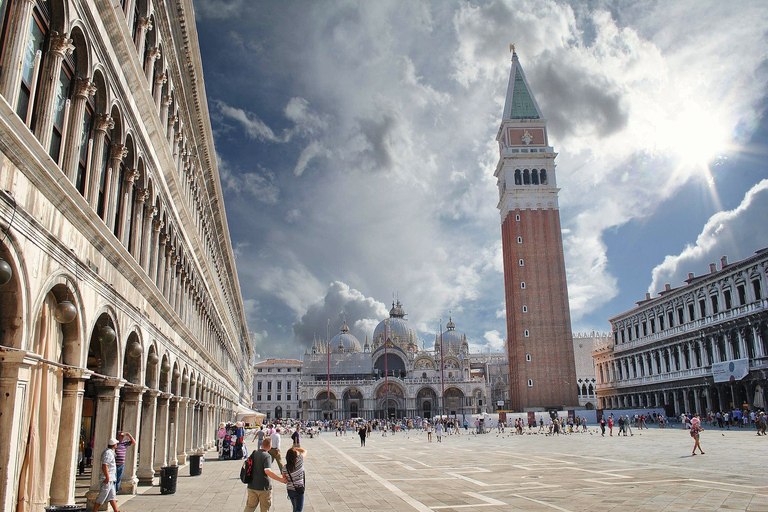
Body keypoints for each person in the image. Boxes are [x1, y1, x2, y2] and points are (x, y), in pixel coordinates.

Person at [244, 437, 287, 512]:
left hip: (252, 485)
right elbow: (267, 471)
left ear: (262, 444)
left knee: (250, 507)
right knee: (264, 508)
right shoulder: (267, 456)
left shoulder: (254, 453)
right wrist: (280, 479)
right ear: (270, 446)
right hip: (263, 487)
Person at [92, 437, 120, 512]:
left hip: (111, 477)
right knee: (102, 495)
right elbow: (104, 465)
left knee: (112, 496)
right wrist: (107, 477)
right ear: (114, 445)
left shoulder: (110, 452)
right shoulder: (108, 453)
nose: (117, 445)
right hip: (108, 478)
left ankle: (116, 510)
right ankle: (95, 510)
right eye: (116, 444)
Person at [283, 446, 307, 512]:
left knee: (295, 508)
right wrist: (295, 448)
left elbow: (284, 479)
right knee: (298, 509)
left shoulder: (285, 467)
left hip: (290, 489)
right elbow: (304, 451)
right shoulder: (299, 461)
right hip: (298, 489)